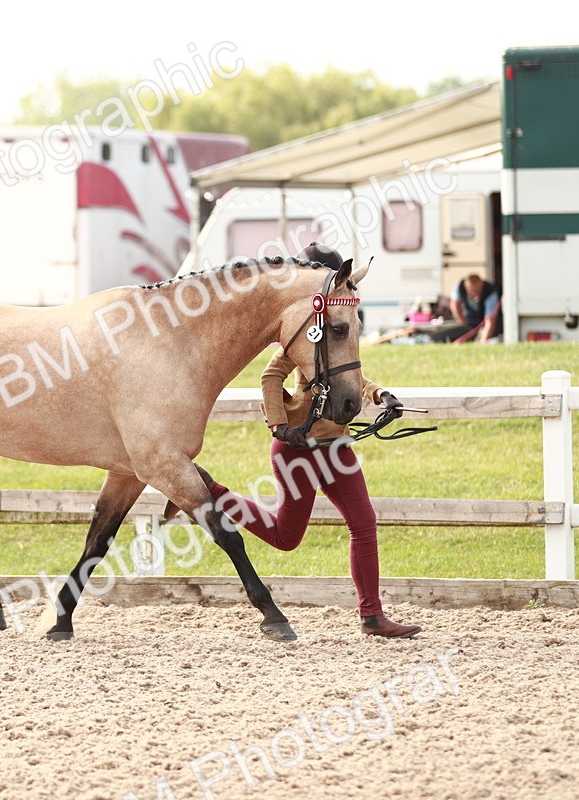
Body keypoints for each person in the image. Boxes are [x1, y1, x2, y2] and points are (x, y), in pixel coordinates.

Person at [179, 243, 422, 638]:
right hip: (299, 450)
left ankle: (372, 615)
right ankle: (211, 492)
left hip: (336, 449)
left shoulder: (331, 330)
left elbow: (350, 376)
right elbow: (269, 377)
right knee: (285, 538)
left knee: (364, 524)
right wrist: (278, 426)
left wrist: (380, 395)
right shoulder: (302, 336)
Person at [451, 273, 501, 342]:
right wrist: (462, 323)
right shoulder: (460, 286)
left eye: (476, 290)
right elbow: (454, 305)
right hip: (469, 318)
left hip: (486, 318)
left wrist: (483, 341)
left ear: (482, 286)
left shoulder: (490, 292)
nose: (474, 293)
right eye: (471, 290)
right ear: (466, 287)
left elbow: (490, 320)